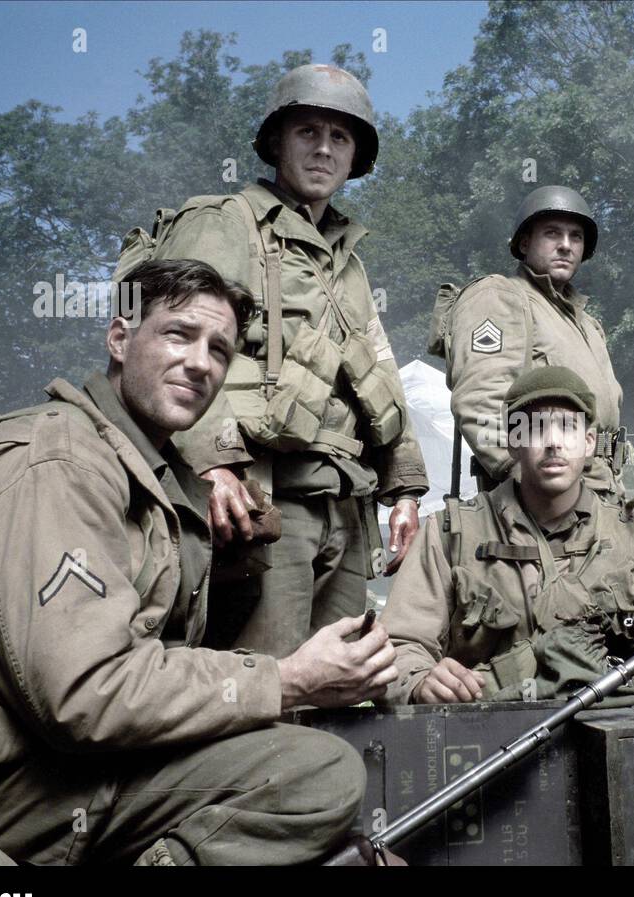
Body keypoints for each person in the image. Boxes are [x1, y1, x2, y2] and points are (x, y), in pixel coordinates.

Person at [0, 259, 397, 865]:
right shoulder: (58, 462)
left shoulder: (155, 479)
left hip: (53, 770)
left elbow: (148, 657)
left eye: (220, 350)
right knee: (313, 775)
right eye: (178, 334)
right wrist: (288, 680)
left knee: (317, 792)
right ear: (120, 340)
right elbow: (82, 695)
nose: (200, 363)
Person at [147, 64, 429, 657]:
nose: (324, 150)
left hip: (346, 505)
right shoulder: (225, 223)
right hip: (266, 501)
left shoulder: (347, 260)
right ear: (278, 141)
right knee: (266, 680)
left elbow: (378, 370)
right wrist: (210, 464)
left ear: (357, 159)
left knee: (345, 683)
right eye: (308, 132)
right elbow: (175, 346)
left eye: (341, 138)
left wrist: (405, 489)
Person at [382, 367, 634, 705]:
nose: (553, 442)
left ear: (588, 443)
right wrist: (421, 681)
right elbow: (399, 646)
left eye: (568, 427)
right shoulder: (451, 534)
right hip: (487, 732)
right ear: (513, 442)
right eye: (536, 428)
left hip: (613, 725)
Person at [444, 186, 629, 497]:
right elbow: (481, 403)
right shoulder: (501, 297)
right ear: (525, 242)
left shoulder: (588, 325)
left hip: (602, 492)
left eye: (576, 237)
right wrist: (522, 480)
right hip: (544, 500)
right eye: (553, 233)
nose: (566, 246)